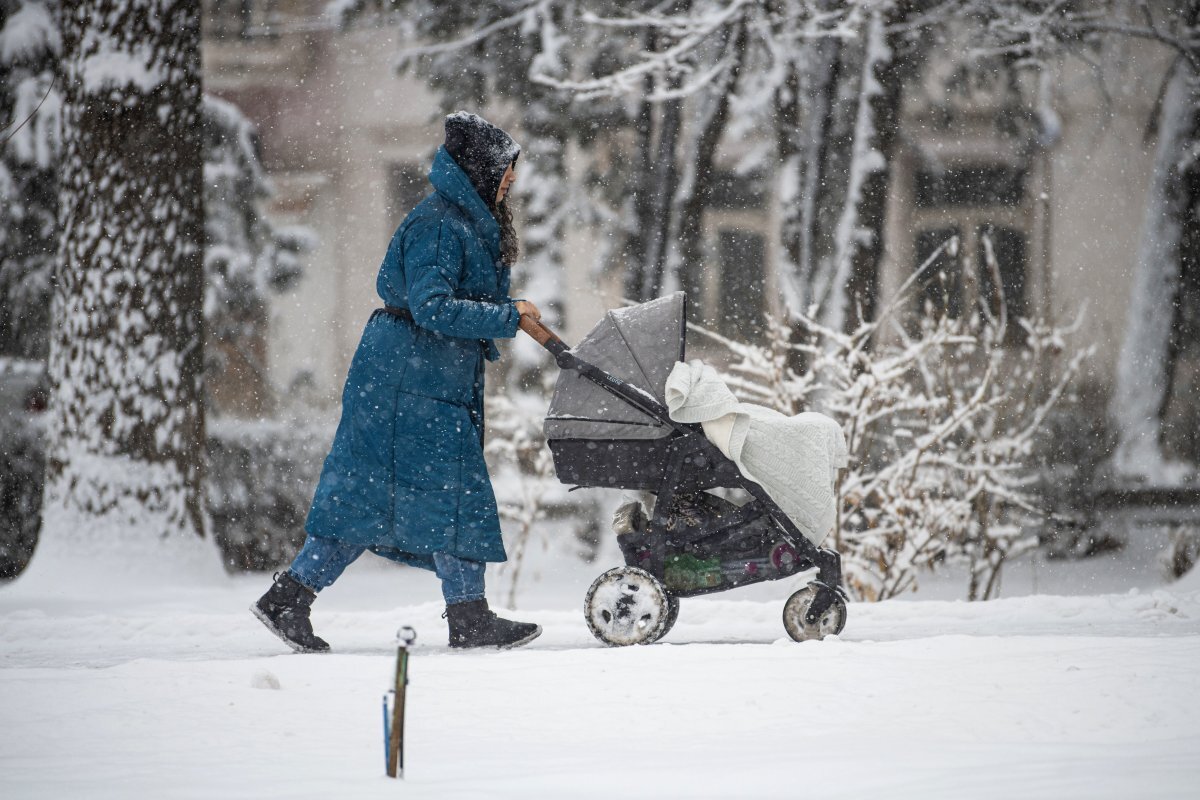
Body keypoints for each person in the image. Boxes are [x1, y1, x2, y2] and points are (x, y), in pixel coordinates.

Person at [252, 111, 542, 652]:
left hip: (421, 379)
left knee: (384, 497)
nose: (510, 181)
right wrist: (506, 316)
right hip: (408, 382)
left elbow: (447, 303)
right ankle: (467, 616)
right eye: (504, 171)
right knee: (438, 495)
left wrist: (506, 312)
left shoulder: (462, 222)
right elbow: (432, 307)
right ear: (480, 170)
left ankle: (292, 598)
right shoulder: (439, 225)